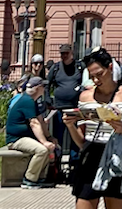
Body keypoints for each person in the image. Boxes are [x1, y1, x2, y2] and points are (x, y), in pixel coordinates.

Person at [62, 48, 122, 209]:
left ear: (110, 68)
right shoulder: (86, 97)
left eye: (99, 74)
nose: (96, 80)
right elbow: (82, 142)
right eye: (92, 76)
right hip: (90, 155)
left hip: (115, 156)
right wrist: (70, 125)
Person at [6, 77, 57, 189]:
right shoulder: (27, 101)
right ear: (38, 88)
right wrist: (44, 142)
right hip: (16, 139)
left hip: (26, 137)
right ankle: (29, 179)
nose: (44, 89)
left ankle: (41, 178)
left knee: (48, 148)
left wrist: (49, 137)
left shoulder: (32, 101)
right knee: (42, 150)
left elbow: (41, 122)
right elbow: (34, 123)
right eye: (43, 87)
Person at [47, 44, 84, 175]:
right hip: (59, 108)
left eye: (66, 53)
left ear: (71, 53)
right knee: (59, 137)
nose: (64, 56)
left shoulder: (80, 67)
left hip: (75, 109)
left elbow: (86, 82)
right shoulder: (56, 68)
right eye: (62, 53)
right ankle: (57, 165)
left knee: (75, 137)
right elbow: (47, 83)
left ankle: (74, 165)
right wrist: (48, 100)